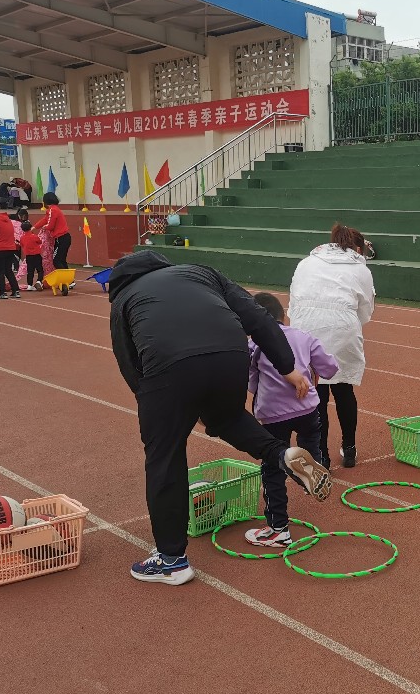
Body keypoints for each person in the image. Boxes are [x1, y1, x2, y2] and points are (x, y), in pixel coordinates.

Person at [108, 250, 330, 585]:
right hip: (231, 353)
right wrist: (287, 367)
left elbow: (128, 361)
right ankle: (281, 453)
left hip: (168, 365)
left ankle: (171, 561)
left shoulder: (124, 297)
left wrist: (160, 408)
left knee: (164, 457)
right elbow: (258, 318)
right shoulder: (201, 273)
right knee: (228, 418)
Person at [244, 292, 340, 549]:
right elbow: (330, 368)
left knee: (273, 468)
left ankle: (278, 529)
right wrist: (311, 369)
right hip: (308, 408)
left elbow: (250, 381)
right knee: (310, 446)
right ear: (284, 315)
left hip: (274, 415)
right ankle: (313, 472)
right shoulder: (303, 336)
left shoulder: (254, 346)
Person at [288, 223, 376, 469]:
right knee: (343, 389)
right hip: (341, 328)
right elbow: (365, 310)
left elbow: (294, 301)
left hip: (306, 329)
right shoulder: (359, 268)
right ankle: (349, 449)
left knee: (318, 396)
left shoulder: (307, 262)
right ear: (357, 248)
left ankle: (322, 456)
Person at [33, 193, 71, 270]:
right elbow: (45, 220)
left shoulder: (52, 210)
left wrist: (44, 227)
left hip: (61, 238)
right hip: (64, 237)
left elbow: (50, 225)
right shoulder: (54, 209)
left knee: (56, 261)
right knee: (61, 260)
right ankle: (68, 277)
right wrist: (34, 227)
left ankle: (65, 276)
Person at [20, 221, 44, 291]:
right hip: (36, 255)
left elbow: (22, 245)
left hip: (28, 256)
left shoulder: (22, 238)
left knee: (30, 271)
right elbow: (40, 242)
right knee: (40, 270)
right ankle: (39, 281)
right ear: (30, 228)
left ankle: (29, 285)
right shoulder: (34, 236)